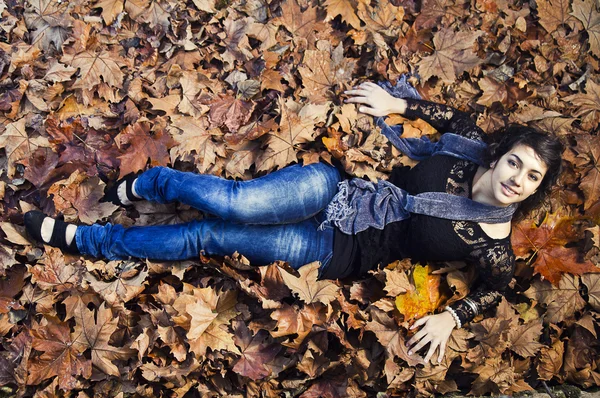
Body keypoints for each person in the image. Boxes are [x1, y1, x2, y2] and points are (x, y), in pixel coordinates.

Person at [23, 81, 564, 364]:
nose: (518, 179)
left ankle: (92, 240)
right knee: (235, 203)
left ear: (537, 188)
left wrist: (454, 318)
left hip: (340, 252)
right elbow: (443, 115)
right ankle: (150, 183)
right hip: (339, 190)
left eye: (533, 177)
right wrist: (394, 102)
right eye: (515, 162)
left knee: (208, 235)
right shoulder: (469, 147)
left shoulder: (492, 243)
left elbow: (497, 288)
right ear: (498, 155)